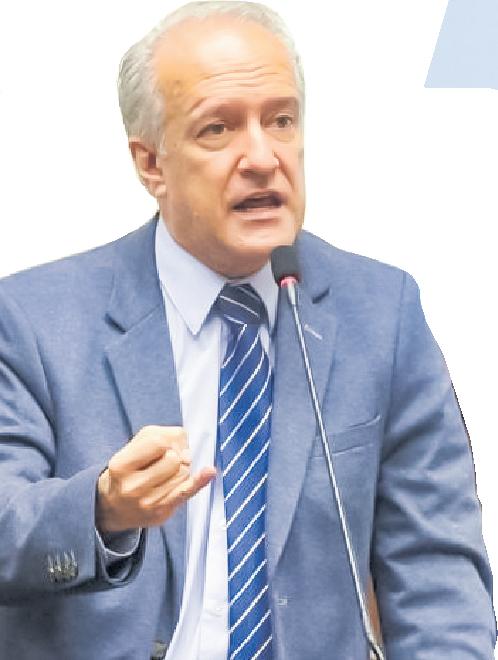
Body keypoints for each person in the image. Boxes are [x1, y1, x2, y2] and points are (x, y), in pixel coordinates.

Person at [0, 1, 495, 658]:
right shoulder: (33, 320)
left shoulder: (381, 313)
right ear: (151, 164)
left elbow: (438, 575)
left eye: (281, 120)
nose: (263, 157)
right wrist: (101, 511)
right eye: (218, 129)